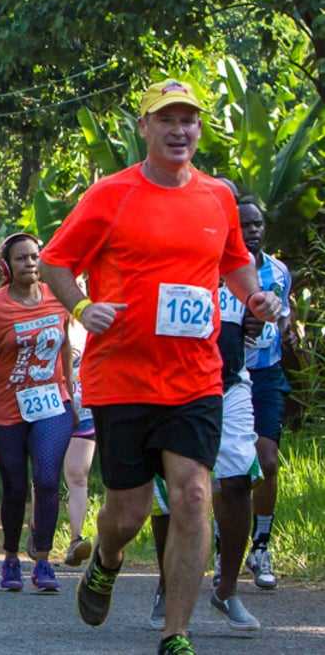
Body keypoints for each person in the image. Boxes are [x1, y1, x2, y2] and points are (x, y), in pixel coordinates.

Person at [39, 79, 282, 655]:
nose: (179, 130)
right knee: (128, 510)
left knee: (194, 495)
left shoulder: (217, 196)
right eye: (166, 119)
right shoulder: (111, 194)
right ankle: (107, 556)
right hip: (122, 376)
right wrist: (81, 305)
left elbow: (235, 264)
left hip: (195, 375)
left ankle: (176, 634)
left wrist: (255, 298)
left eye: (189, 120)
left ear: (199, 129)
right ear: (143, 127)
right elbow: (55, 263)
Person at [148, 178, 263, 633]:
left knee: (236, 481)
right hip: (170, 385)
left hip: (230, 383)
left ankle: (227, 589)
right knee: (173, 496)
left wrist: (263, 308)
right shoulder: (172, 243)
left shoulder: (247, 262)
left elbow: (260, 314)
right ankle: (167, 582)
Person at [0, 232, 74, 593]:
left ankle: (43, 559)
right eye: (21, 259)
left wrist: (72, 397)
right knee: (15, 487)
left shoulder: (58, 298)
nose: (30, 263)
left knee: (46, 480)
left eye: (34, 256)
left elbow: (65, 350)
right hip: (6, 409)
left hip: (52, 403)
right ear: (7, 266)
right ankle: (11, 556)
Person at [237, 199, 294, 590]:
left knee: (268, 460)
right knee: (230, 469)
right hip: (229, 373)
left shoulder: (279, 271)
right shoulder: (222, 271)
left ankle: (260, 545)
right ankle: (226, 542)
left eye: (258, 224)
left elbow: (284, 310)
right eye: (245, 225)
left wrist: (287, 327)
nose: (254, 231)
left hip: (268, 374)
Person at [63, 317, 96, 566]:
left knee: (78, 474)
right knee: (44, 476)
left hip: (86, 410)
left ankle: (75, 540)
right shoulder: (48, 316)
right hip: (52, 408)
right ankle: (38, 533)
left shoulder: (95, 324)